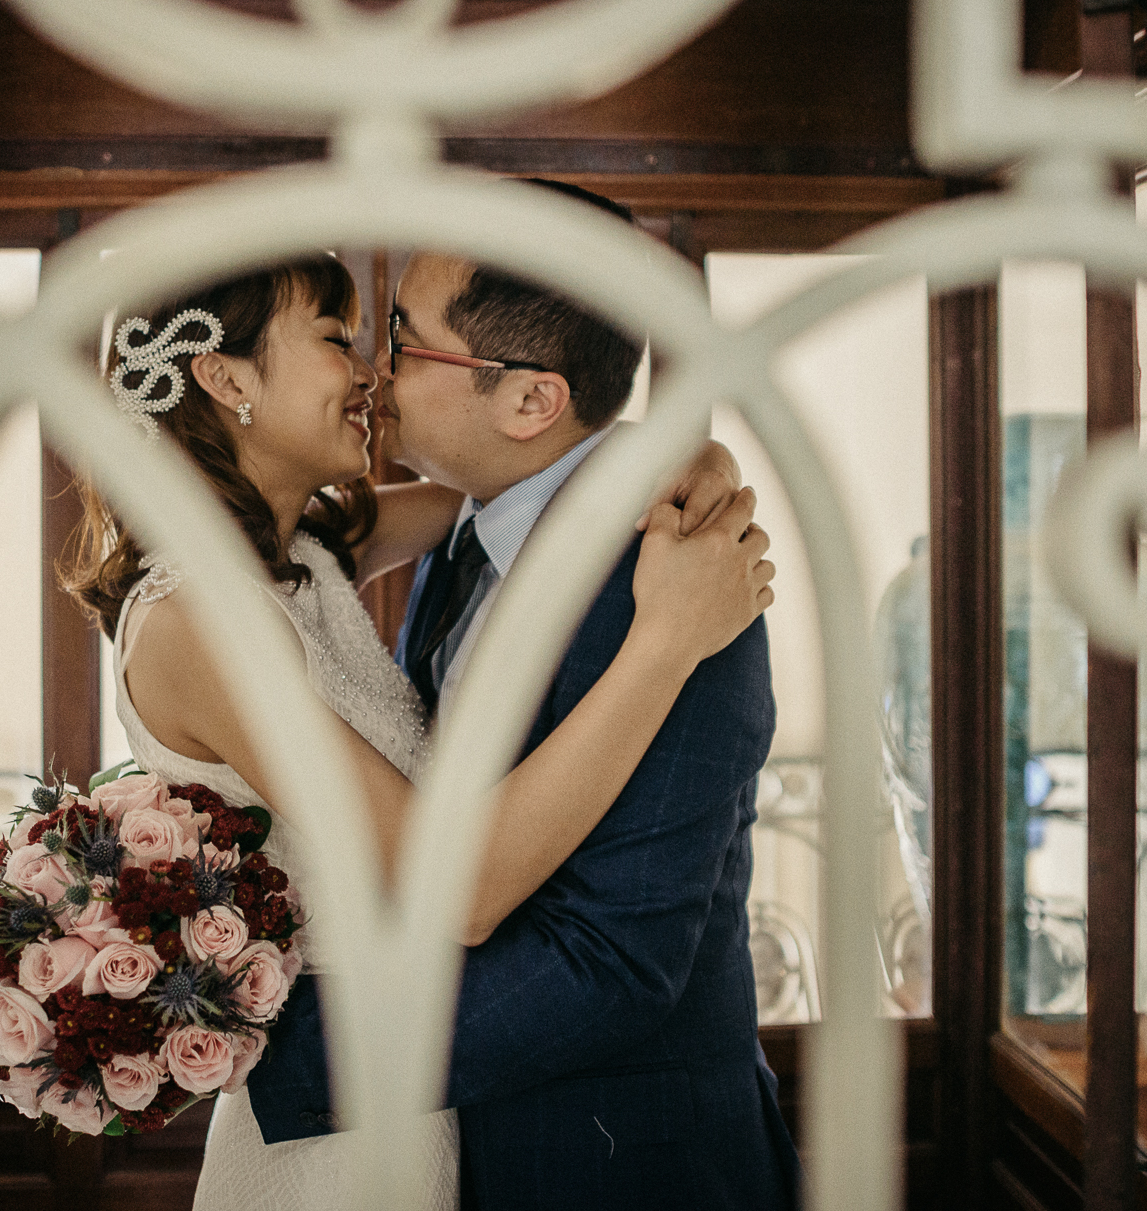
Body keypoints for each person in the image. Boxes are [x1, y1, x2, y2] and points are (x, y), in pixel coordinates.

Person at [62, 248, 773, 1210]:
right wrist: (666, 639)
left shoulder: (304, 551)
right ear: (226, 378)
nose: (370, 373)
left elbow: (536, 474)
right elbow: (461, 888)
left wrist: (696, 462)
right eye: (338, 339)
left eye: (389, 341)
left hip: (439, 1103)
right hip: (341, 1131)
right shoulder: (200, 623)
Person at [243, 183, 805, 1209]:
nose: (375, 369)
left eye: (404, 338)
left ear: (530, 402)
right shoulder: (466, 522)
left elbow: (615, 960)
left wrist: (277, 1049)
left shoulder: (678, 582)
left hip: (621, 1165)